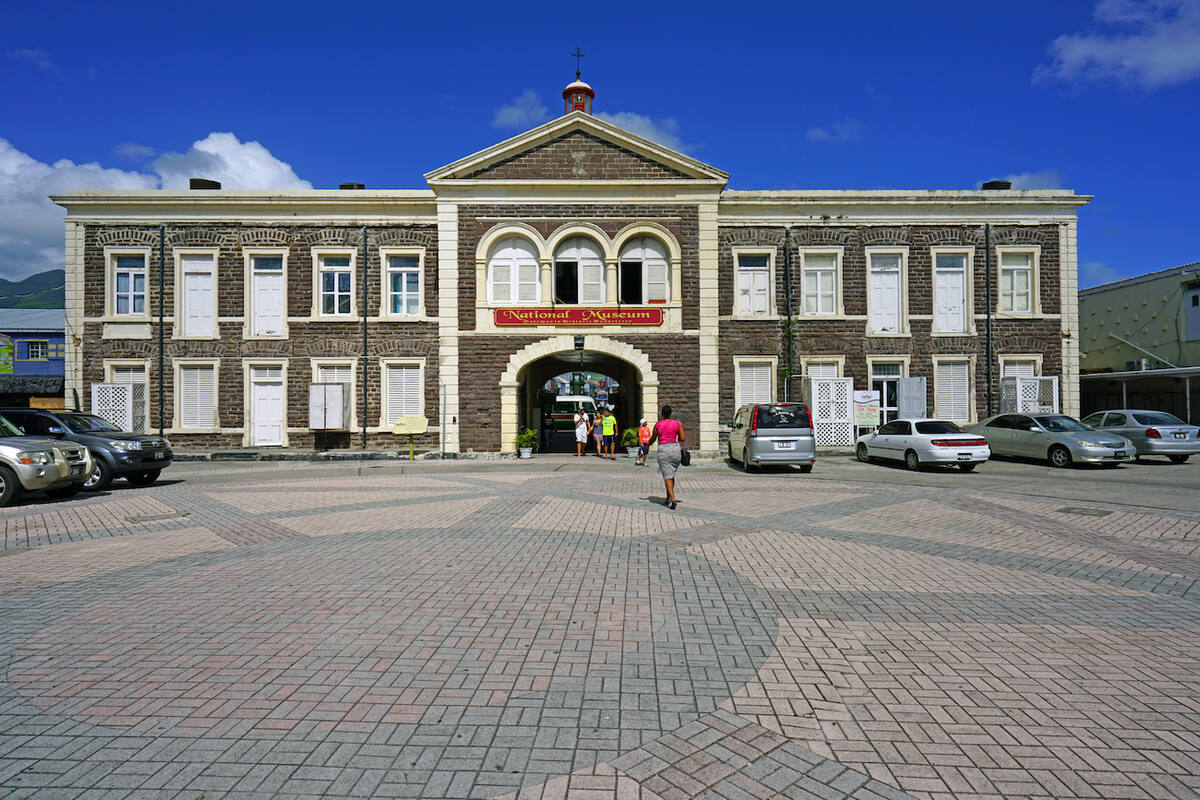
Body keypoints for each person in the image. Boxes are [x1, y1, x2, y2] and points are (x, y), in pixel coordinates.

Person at [647, 405, 684, 509]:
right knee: (671, 474)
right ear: (670, 413)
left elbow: (653, 438)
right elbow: (682, 438)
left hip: (664, 450)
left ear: (662, 414)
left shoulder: (658, 425)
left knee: (667, 476)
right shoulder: (677, 423)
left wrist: (648, 445)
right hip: (675, 450)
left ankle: (673, 500)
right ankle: (668, 498)